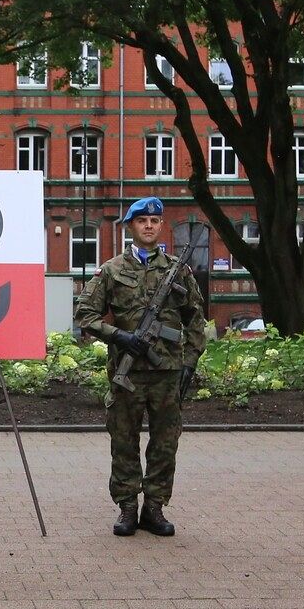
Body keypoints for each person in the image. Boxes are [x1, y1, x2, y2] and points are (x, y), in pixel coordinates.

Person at [73, 197, 206, 538]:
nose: (149, 225)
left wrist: (189, 362)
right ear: (130, 226)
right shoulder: (112, 270)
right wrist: (120, 336)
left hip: (167, 373)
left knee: (165, 442)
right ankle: (128, 507)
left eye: (155, 220)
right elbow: (85, 315)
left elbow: (195, 320)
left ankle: (155, 507)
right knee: (124, 440)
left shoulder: (179, 270)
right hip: (127, 374)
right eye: (142, 220)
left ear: (161, 226)